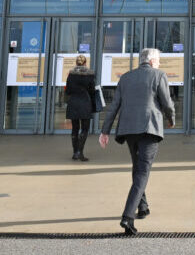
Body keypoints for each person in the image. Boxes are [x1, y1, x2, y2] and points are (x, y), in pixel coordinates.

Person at [99, 47, 176, 236]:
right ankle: (127, 216)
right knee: (142, 172)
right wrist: (172, 118)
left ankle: (143, 206)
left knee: (137, 168)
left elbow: (114, 106)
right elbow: (167, 103)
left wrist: (105, 131)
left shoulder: (125, 77)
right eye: (158, 60)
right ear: (151, 61)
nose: (159, 63)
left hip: (128, 130)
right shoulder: (159, 75)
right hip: (149, 128)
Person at [64, 53, 99, 161]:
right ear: (85, 63)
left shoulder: (71, 74)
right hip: (85, 103)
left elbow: (68, 91)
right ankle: (80, 152)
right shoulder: (90, 75)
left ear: (76, 63)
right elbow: (92, 91)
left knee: (75, 129)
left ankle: (75, 153)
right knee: (85, 129)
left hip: (73, 103)